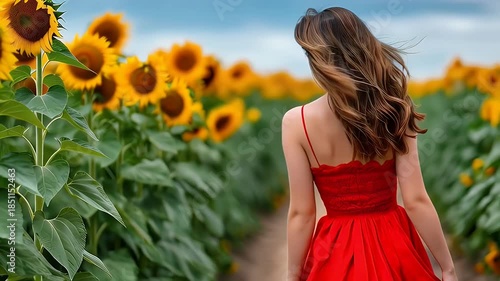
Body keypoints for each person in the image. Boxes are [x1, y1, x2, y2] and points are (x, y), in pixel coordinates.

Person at [282, 7, 458, 281]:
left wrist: (293, 275)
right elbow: (416, 200)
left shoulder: (297, 122)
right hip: (395, 245)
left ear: (318, 59)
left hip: (335, 253)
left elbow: (302, 213)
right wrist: (447, 267)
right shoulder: (394, 109)